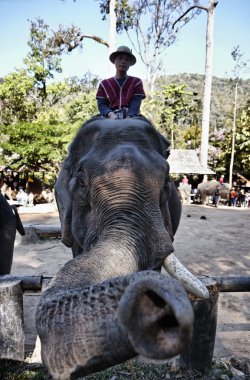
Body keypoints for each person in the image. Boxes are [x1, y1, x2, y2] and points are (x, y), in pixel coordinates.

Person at [96, 46, 146, 119]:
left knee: (147, 128)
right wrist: (110, 114)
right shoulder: (104, 84)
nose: (123, 62)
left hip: (131, 117)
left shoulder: (136, 82)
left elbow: (136, 103)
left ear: (130, 63)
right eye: (120, 58)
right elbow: (101, 104)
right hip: (109, 116)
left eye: (127, 59)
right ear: (114, 61)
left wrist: (129, 117)